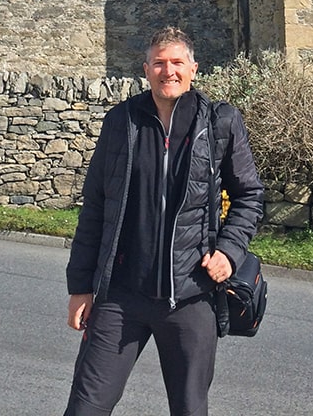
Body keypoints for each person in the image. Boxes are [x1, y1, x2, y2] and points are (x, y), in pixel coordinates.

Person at [62, 26, 264, 416]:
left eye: (176, 63)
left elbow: (249, 196)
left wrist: (229, 250)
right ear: (146, 69)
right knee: (85, 407)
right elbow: (95, 208)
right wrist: (81, 286)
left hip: (192, 296)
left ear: (193, 69)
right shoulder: (121, 121)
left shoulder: (220, 122)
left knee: (189, 409)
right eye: (159, 63)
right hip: (122, 295)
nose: (167, 71)